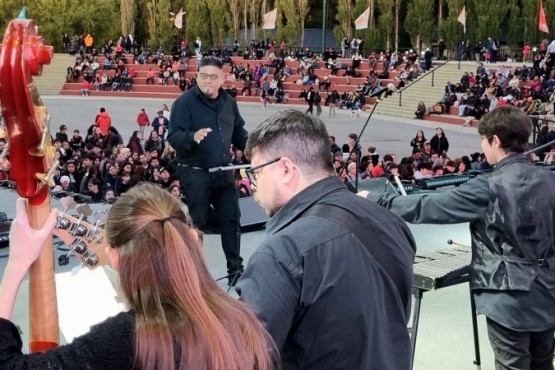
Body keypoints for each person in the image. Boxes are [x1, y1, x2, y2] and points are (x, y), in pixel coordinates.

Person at [359, 106, 555, 370]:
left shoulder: (488, 185)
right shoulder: (549, 179)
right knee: (543, 364)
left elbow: (429, 206)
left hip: (508, 298)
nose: (483, 146)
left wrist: (375, 199)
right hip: (548, 292)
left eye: (483, 140)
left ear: (495, 140)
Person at [0, 183, 277, 369]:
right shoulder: (247, 324)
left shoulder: (128, 339)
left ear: (116, 257)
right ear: (191, 239)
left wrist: (15, 267)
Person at [236, 110, 416, 369]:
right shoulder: (391, 222)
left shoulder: (281, 252)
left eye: (256, 173)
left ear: (285, 169)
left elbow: (247, 358)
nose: (254, 186)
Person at [168, 56, 248, 286]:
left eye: (213, 77)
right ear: (197, 76)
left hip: (223, 173)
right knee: (198, 224)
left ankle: (235, 271)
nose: (208, 81)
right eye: (203, 76)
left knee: (232, 220)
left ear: (223, 78)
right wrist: (191, 136)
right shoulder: (184, 103)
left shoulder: (229, 102)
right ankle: (196, 276)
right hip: (195, 174)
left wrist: (254, 147)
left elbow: (238, 132)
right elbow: (173, 136)